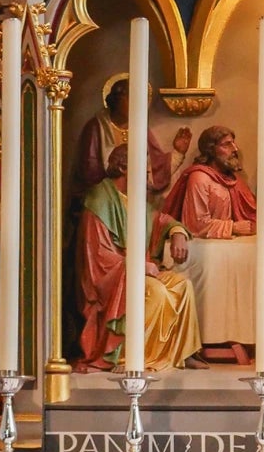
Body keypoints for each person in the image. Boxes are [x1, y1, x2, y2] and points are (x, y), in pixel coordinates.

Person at [76, 144, 202, 372]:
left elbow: (160, 221)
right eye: (144, 169)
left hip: (137, 273)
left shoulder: (133, 200)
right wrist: (138, 267)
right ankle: (133, 357)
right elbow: (97, 256)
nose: (149, 176)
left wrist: (178, 232)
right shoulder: (100, 200)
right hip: (114, 281)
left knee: (183, 286)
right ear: (124, 167)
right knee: (157, 293)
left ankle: (179, 352)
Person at [75, 73, 188, 196]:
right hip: (106, 197)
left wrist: (178, 152)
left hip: (136, 197)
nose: (136, 105)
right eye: (131, 98)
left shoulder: (139, 128)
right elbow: (90, 170)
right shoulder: (96, 127)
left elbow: (156, 169)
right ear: (116, 100)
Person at [165, 122, 256, 239]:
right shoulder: (200, 178)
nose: (235, 149)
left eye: (233, 143)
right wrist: (232, 227)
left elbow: (250, 216)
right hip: (205, 249)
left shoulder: (235, 181)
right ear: (211, 150)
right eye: (227, 144)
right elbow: (195, 225)